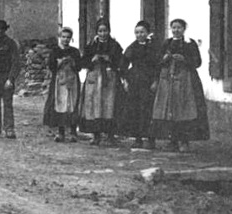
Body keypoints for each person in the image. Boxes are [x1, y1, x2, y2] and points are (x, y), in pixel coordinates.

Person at [150, 19, 210, 152]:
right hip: (168, 82)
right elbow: (157, 61)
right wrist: (164, 59)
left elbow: (197, 62)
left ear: (184, 29)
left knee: (185, 110)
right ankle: (172, 141)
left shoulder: (190, 43)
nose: (176, 30)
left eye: (179, 28)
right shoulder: (167, 43)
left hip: (186, 81)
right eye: (174, 28)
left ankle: (184, 141)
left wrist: (184, 60)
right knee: (170, 110)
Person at [79, 18, 123, 146]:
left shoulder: (115, 46)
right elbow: (83, 62)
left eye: (105, 31)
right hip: (94, 78)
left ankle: (110, 136)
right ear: (96, 32)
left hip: (109, 79)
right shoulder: (90, 46)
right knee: (94, 106)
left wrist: (110, 60)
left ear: (109, 31)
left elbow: (121, 62)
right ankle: (96, 135)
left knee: (109, 106)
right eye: (100, 31)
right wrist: (92, 60)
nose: (103, 34)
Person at [118, 21, 160, 149]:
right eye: (137, 32)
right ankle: (137, 138)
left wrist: (155, 81)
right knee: (135, 109)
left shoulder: (154, 47)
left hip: (148, 80)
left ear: (147, 33)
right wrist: (125, 80)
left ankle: (151, 139)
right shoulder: (132, 47)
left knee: (148, 109)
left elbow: (158, 65)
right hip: (135, 81)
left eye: (142, 32)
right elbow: (123, 65)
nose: (139, 35)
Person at [43, 27, 81, 143]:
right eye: (63, 37)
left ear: (71, 38)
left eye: (68, 37)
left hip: (72, 81)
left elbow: (79, 67)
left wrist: (72, 62)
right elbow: (51, 66)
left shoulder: (75, 51)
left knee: (72, 104)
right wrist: (59, 63)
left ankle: (73, 132)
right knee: (60, 103)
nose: (65, 40)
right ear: (60, 38)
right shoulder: (55, 51)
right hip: (59, 82)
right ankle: (61, 132)